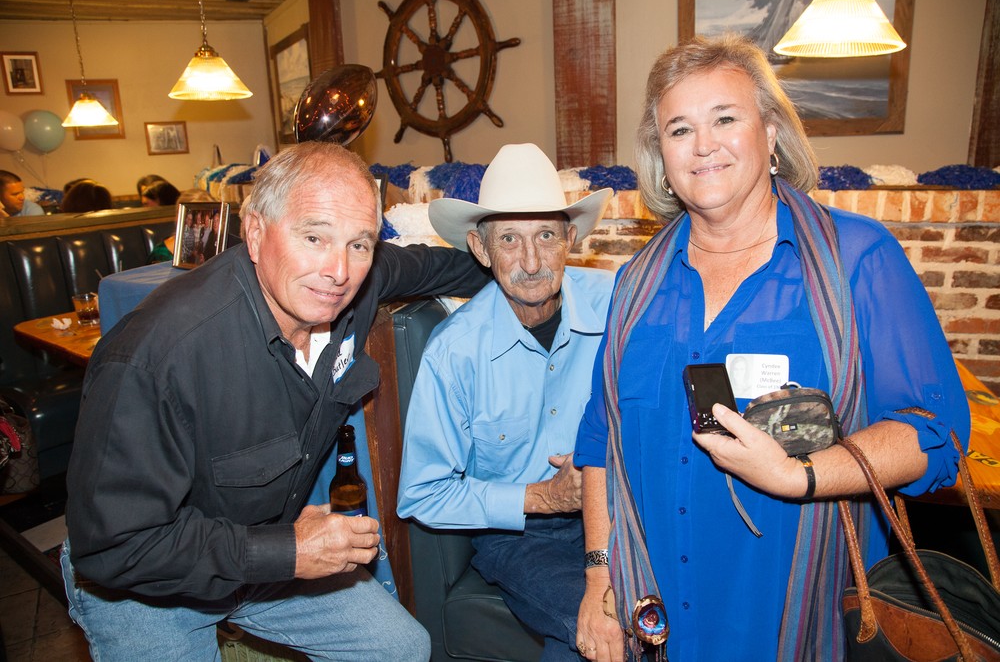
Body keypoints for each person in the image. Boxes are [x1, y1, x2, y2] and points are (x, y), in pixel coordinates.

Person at [573, 35, 970, 662]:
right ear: (661, 157)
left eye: (725, 119)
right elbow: (600, 440)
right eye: (680, 129)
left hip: (798, 612)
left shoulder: (857, 259)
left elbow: (932, 432)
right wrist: (599, 578)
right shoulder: (635, 285)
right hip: (659, 613)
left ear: (772, 133)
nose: (703, 145)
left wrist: (798, 475)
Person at [62, 141, 491, 660]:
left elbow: (438, 267)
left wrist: (516, 262)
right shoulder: (156, 354)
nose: (339, 270)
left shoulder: (353, 282)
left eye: (359, 244)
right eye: (314, 237)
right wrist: (289, 551)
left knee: (400, 649)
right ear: (255, 232)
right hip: (147, 583)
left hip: (262, 547)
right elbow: (115, 545)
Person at [397, 143, 614, 662]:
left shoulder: (619, 303)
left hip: (621, 515)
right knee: (609, 625)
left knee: (661, 614)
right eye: (509, 239)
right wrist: (544, 497)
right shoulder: (454, 351)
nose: (531, 262)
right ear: (480, 248)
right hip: (521, 537)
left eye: (546, 235)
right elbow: (421, 494)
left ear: (571, 238)